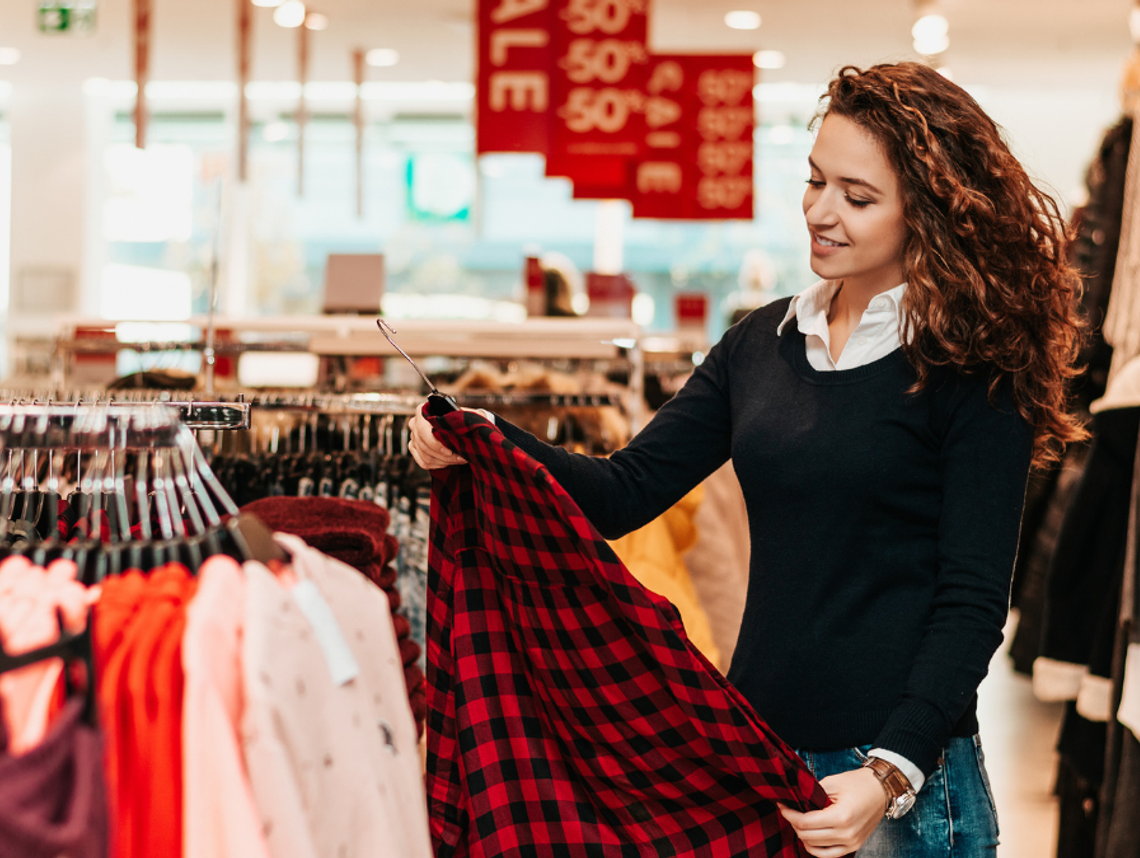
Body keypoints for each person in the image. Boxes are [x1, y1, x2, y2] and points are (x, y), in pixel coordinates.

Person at [409, 62, 1087, 857]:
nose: (821, 213)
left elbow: (972, 600)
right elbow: (625, 491)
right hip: (758, 760)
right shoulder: (761, 344)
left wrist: (889, 773)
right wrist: (489, 436)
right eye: (816, 182)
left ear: (926, 215)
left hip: (899, 786)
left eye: (857, 197)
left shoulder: (973, 368)